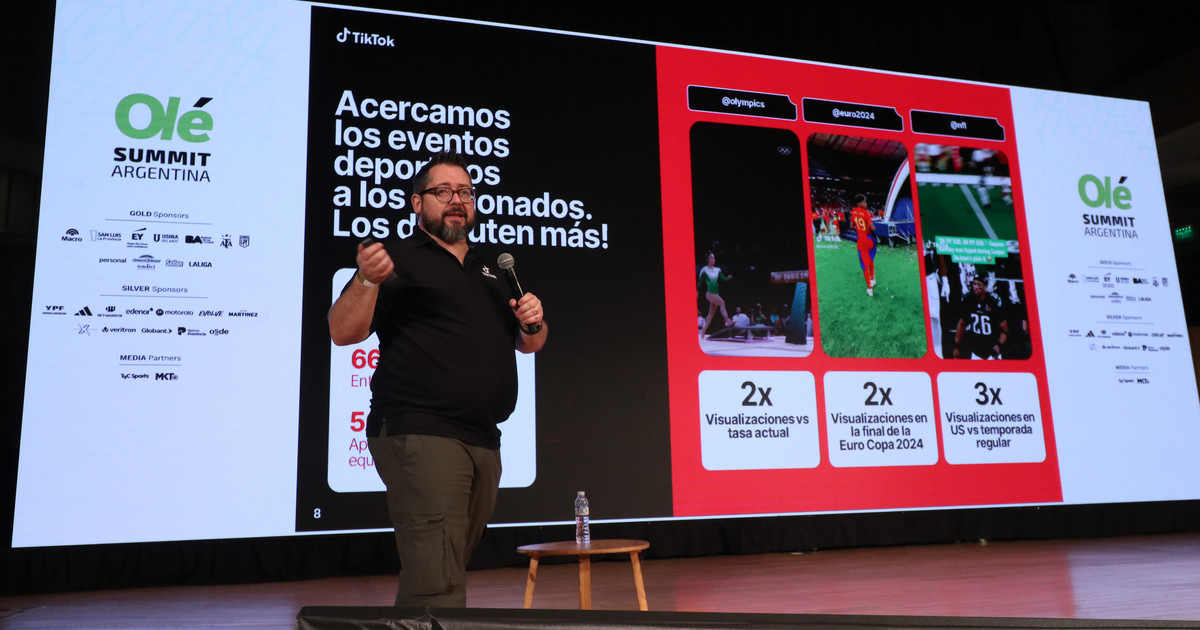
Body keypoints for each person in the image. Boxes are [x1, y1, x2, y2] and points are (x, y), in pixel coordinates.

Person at [328, 151, 547, 607]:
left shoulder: (493, 269)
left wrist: (534, 322)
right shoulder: (399, 259)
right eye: (443, 191)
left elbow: (530, 344)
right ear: (417, 203)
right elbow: (342, 332)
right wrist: (367, 281)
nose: (456, 200)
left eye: (465, 192)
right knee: (437, 577)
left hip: (484, 437)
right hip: (421, 429)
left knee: (444, 568)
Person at [953, 276, 1007, 359]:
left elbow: (1004, 329)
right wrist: (957, 346)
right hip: (976, 350)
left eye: (979, 285)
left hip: (992, 351)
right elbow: (962, 324)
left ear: (985, 286)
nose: (976, 287)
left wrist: (999, 345)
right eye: (974, 284)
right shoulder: (969, 300)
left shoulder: (992, 302)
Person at [698, 252, 732, 337]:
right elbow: (700, 282)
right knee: (722, 303)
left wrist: (728, 278)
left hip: (716, 294)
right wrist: (697, 291)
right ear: (707, 259)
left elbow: (723, 279)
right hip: (709, 294)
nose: (713, 259)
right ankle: (727, 320)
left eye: (714, 258)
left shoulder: (718, 270)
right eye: (711, 258)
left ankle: (703, 333)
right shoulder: (704, 269)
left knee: (710, 315)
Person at [850, 193, 877, 296]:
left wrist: (858, 230)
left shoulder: (853, 211)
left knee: (864, 265)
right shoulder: (866, 212)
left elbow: (851, 226)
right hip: (869, 240)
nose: (866, 203)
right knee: (870, 259)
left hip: (861, 241)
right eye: (865, 201)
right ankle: (872, 279)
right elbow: (873, 228)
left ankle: (870, 288)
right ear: (860, 203)